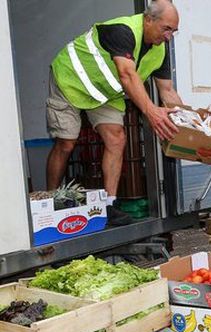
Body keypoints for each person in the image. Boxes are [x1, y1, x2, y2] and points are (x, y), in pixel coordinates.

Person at [45, 0, 182, 226]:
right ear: (148, 20)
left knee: (117, 139)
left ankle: (108, 205)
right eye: (166, 28)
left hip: (104, 92)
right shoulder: (123, 30)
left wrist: (191, 123)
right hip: (70, 79)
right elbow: (127, 74)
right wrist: (151, 112)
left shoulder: (161, 50)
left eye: (173, 31)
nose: (169, 36)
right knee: (66, 143)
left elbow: (167, 91)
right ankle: (49, 201)